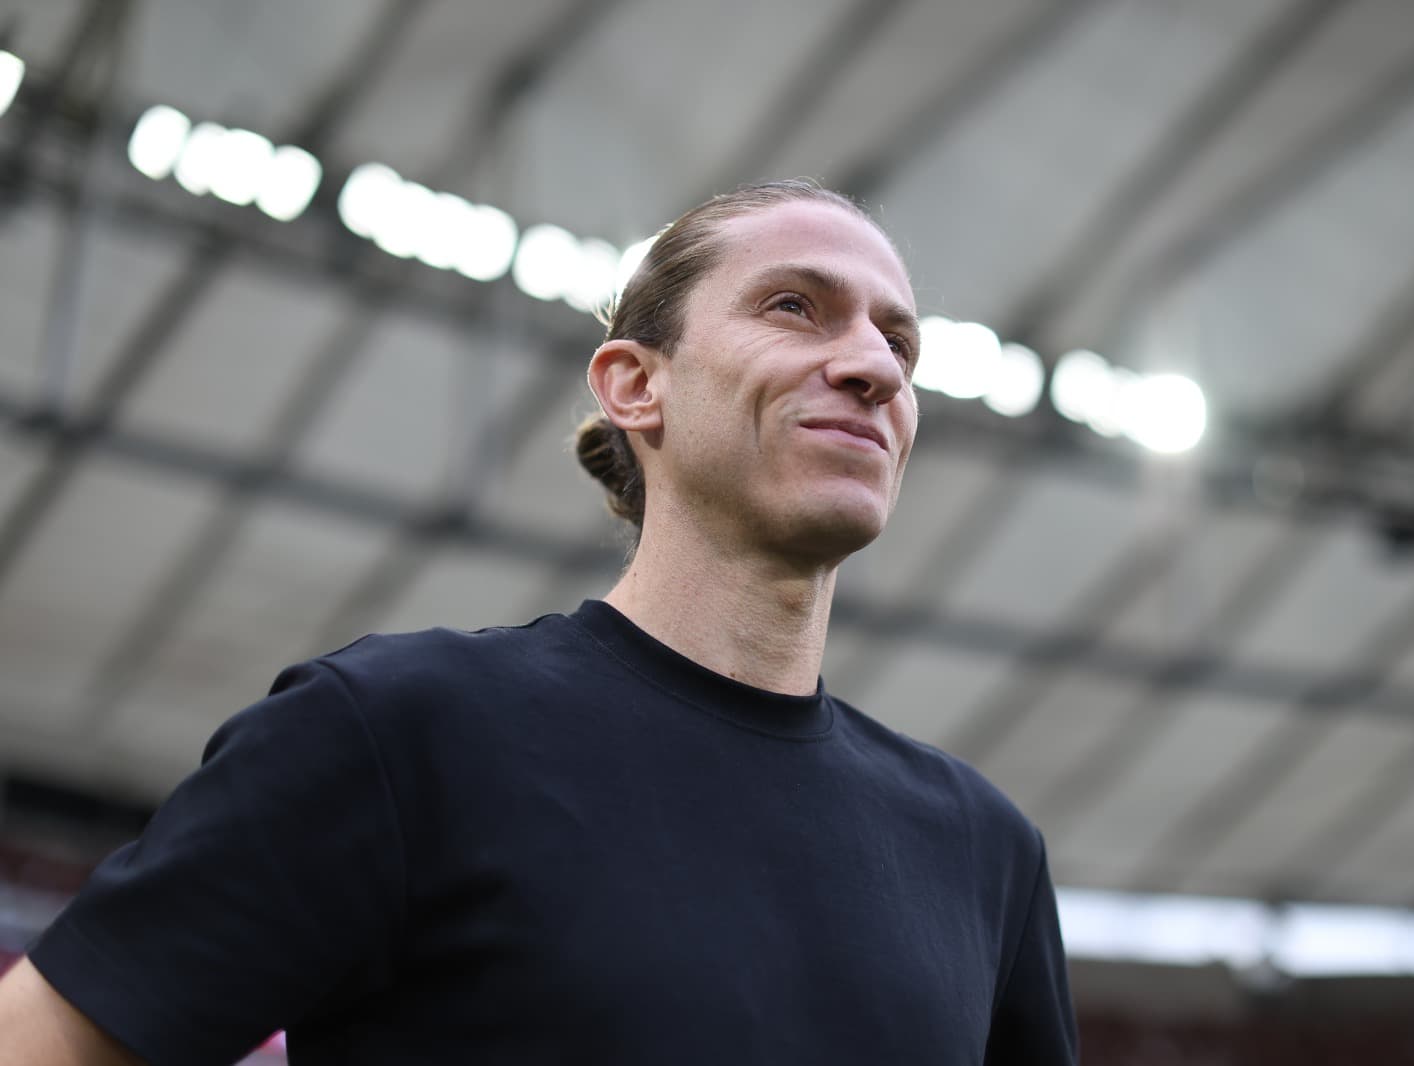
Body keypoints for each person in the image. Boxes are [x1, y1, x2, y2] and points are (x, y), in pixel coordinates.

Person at [0, 180, 1078, 1065]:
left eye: (900, 342)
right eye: (794, 306)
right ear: (633, 386)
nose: (874, 365)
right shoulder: (396, 734)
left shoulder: (983, 852)